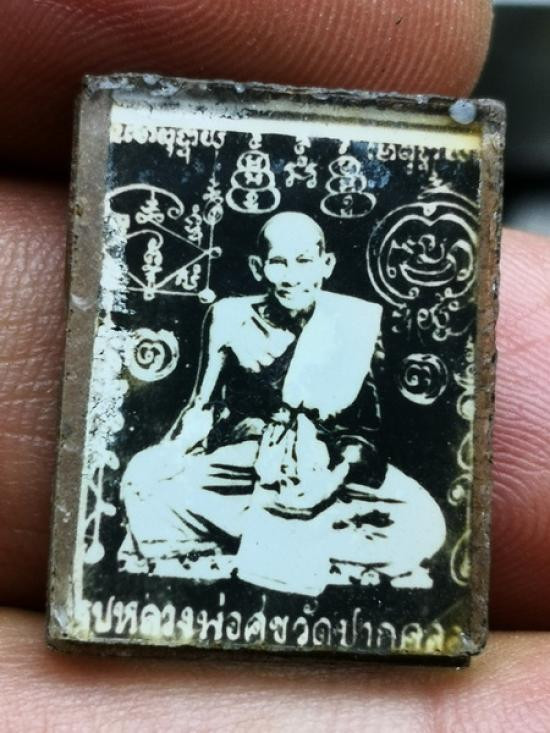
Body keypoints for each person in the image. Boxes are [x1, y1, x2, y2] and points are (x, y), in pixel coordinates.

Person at [119, 211, 446, 594]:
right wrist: (171, 455)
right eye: (279, 263)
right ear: (259, 268)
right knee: (144, 484)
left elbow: (367, 429)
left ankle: (262, 542)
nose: (292, 277)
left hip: (326, 468)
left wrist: (332, 478)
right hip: (246, 467)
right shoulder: (229, 317)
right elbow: (201, 407)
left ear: (326, 264)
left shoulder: (354, 322)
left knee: (424, 524)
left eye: (304, 261)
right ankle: (294, 544)